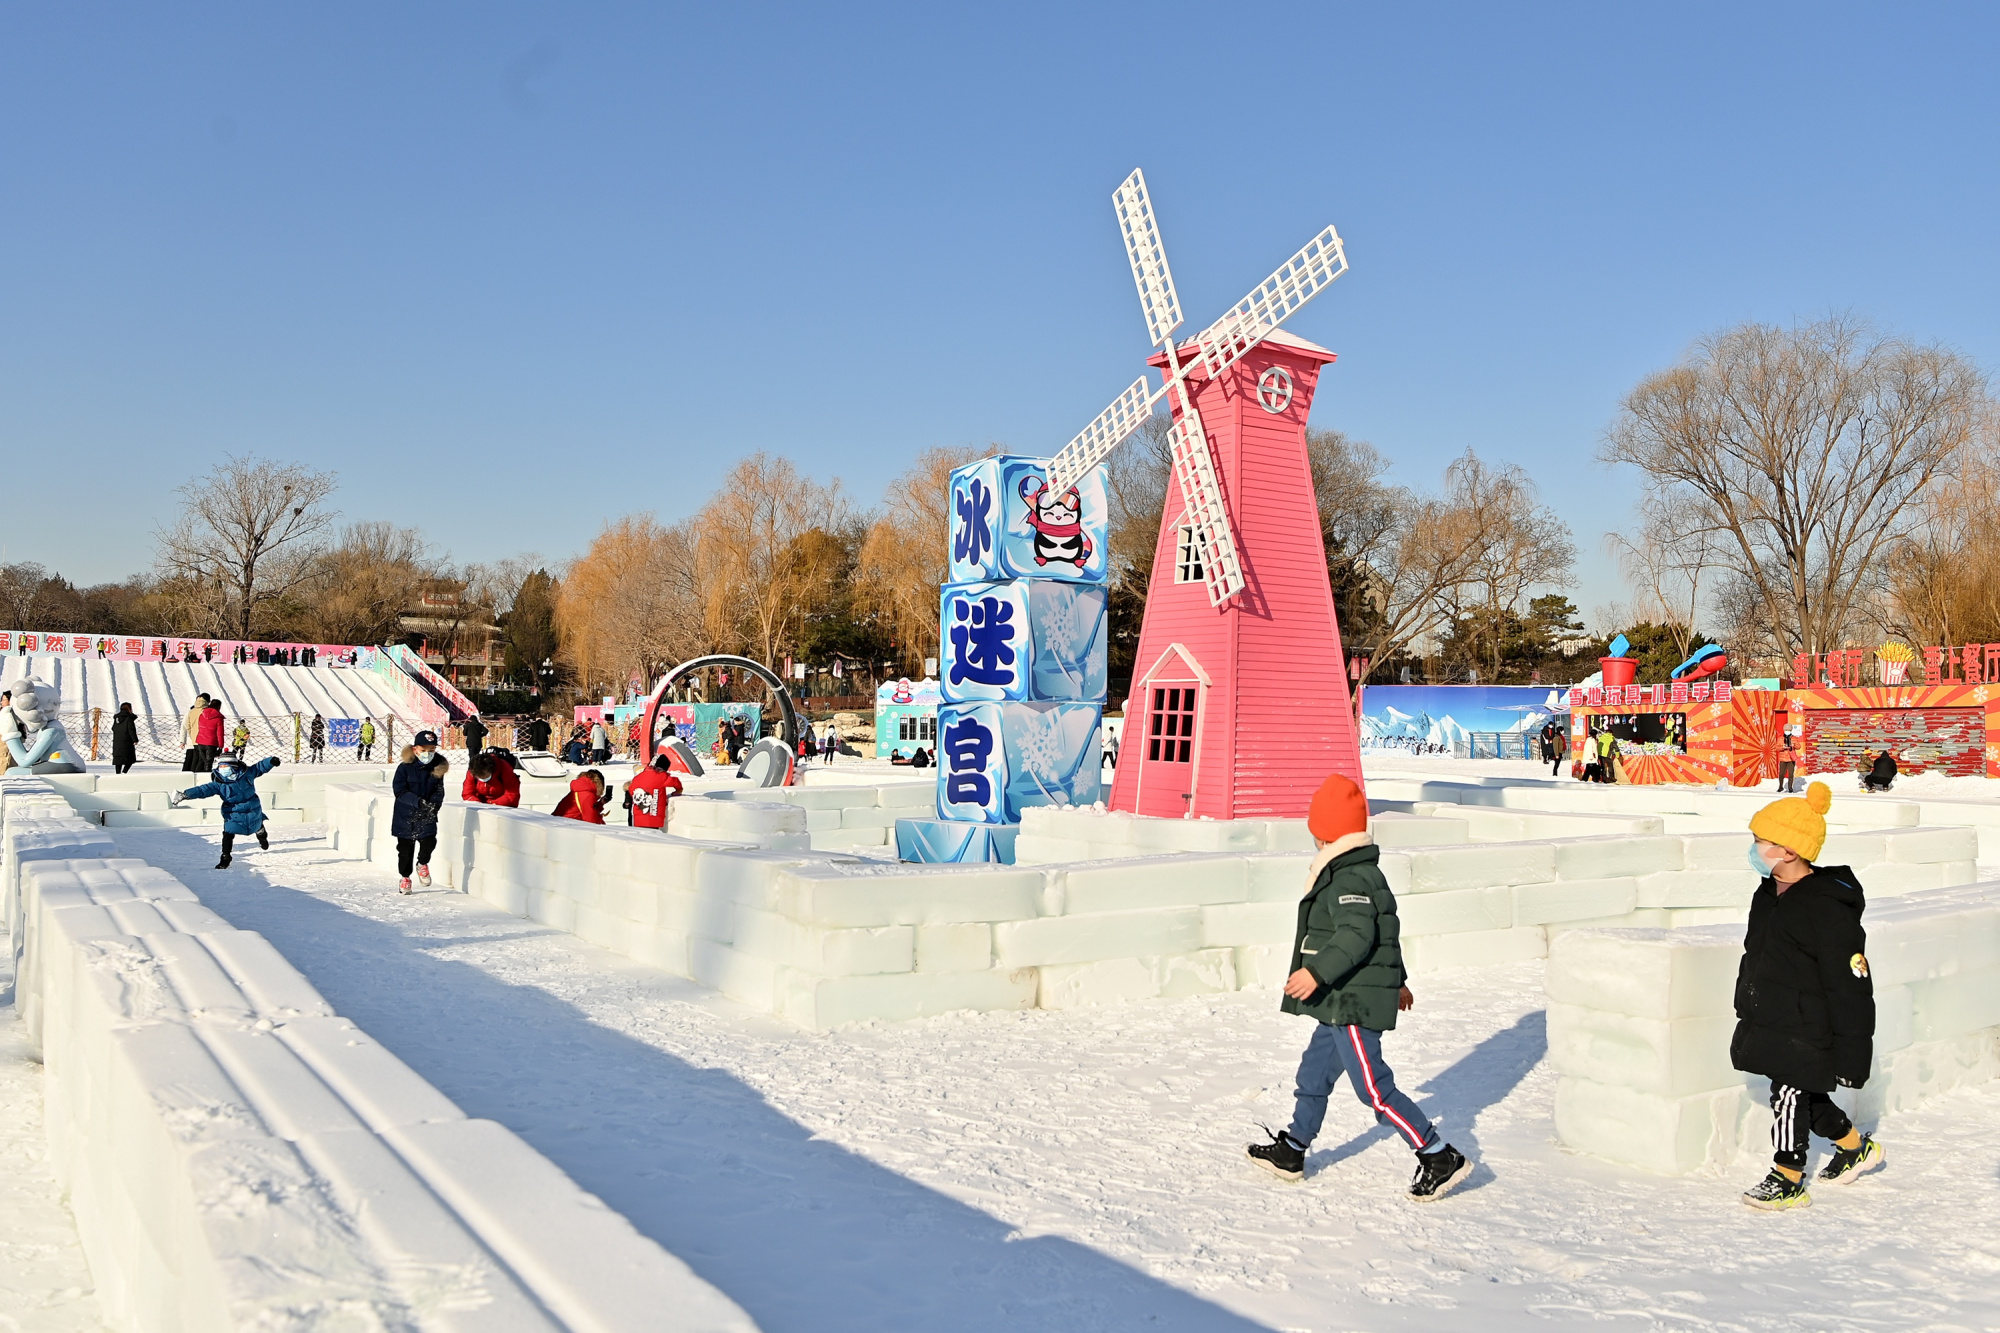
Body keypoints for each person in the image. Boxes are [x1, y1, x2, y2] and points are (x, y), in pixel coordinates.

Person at [1247, 773, 1473, 1201]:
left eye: (1317, 835)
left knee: (1374, 1089)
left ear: (1329, 835)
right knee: (1313, 1073)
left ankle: (1438, 1154)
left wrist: (1316, 973)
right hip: (1338, 1002)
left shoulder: (1350, 878)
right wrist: (1399, 981)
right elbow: (1387, 932)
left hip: (1350, 1002)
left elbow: (1357, 936)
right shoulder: (1358, 872)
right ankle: (1294, 1149)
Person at [1733, 781, 1882, 1209]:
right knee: (1807, 1097)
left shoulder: (1825, 908)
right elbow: (1757, 951)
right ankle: (1856, 1147)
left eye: (1761, 842)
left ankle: (1788, 1176)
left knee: (1788, 1095)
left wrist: (1853, 1053)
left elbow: (1850, 983)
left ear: (1789, 850)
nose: (1755, 849)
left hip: (1807, 1025)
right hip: (1773, 1015)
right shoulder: (1768, 893)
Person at [170, 755, 280, 870]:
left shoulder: (247, 774)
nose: (222, 769)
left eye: (224, 766)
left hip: (252, 807)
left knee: (257, 824)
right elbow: (203, 790)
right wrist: (185, 795)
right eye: (220, 766)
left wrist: (271, 761)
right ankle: (225, 857)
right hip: (233, 811)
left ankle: (262, 837)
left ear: (233, 767)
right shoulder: (219, 783)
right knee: (228, 833)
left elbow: (259, 767)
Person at [391, 730, 448, 894]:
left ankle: (422, 863)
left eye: (431, 750)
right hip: (405, 816)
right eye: (424, 750)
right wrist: (418, 802)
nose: (427, 754)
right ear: (415, 749)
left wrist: (434, 806)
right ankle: (405, 877)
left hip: (427, 814)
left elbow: (439, 790)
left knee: (429, 842)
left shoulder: (437, 769)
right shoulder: (404, 768)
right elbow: (400, 791)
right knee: (405, 850)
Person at [623, 754, 683, 829]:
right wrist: (678, 790)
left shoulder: (637, 778)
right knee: (652, 838)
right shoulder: (661, 776)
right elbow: (675, 782)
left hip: (638, 819)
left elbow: (631, 789)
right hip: (653, 818)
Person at [182, 693, 211, 771]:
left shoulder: (191, 711)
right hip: (203, 739)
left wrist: (191, 735)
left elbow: (186, 726)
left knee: (193, 761)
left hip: (193, 740)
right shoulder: (206, 711)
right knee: (202, 761)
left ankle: (190, 776)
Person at [195, 698, 225, 773]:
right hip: (211, 743)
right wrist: (221, 746)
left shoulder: (202, 715)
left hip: (200, 741)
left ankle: (196, 777)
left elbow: (199, 727)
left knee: (201, 761)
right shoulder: (218, 718)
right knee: (208, 764)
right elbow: (220, 733)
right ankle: (206, 778)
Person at [110, 701, 139, 774]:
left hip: (117, 742)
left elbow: (113, 728)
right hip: (127, 742)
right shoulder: (129, 718)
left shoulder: (116, 719)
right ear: (129, 709)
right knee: (130, 759)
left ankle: (118, 773)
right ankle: (124, 772)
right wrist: (135, 740)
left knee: (118, 759)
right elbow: (131, 730)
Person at [1777, 728, 1799, 793]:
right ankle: (1780, 786)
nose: (1787, 731)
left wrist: (1794, 745)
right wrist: (1782, 747)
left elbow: (1798, 746)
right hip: (1782, 758)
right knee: (1781, 774)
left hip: (1791, 759)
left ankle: (1790, 788)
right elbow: (1776, 747)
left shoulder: (1794, 738)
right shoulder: (1780, 738)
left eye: (1789, 730)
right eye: (1786, 730)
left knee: (1790, 774)